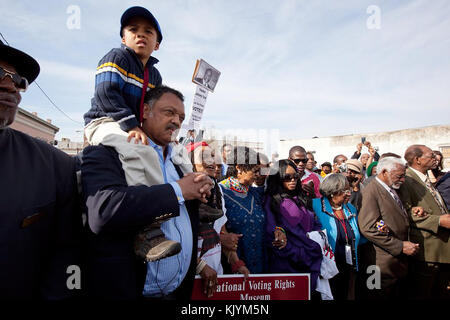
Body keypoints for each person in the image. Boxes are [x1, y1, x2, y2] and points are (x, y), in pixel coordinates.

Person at [81, 86, 214, 300]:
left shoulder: (180, 162)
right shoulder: (108, 152)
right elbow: (103, 211)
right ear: (144, 111)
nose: (177, 122)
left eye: (180, 117)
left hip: (177, 291)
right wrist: (177, 190)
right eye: (168, 112)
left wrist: (201, 191)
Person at [83, 7, 183, 262]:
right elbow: (106, 93)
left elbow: (155, 107)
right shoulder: (116, 56)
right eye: (133, 30)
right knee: (139, 149)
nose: (140, 35)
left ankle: (198, 204)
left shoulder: (156, 74)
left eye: (148, 31)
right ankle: (146, 231)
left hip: (133, 125)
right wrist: (132, 126)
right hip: (104, 120)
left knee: (177, 155)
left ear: (157, 44)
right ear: (123, 38)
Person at [0, 40, 83, 299]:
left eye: (18, 80)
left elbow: (70, 255)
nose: (10, 85)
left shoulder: (55, 166)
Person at [187, 141, 249, 297]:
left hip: (214, 276)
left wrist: (236, 263)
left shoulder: (218, 190)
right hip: (186, 279)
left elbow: (221, 230)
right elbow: (176, 238)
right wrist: (200, 267)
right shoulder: (183, 190)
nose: (213, 161)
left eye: (214, 156)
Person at [358, 157, 423, 299]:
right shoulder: (371, 191)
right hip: (378, 265)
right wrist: (399, 246)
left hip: (394, 263)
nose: (403, 180)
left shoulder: (389, 189)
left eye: (403, 176)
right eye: (399, 176)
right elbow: (368, 228)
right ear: (384, 172)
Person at [398, 144, 450, 299]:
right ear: (417, 160)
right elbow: (405, 213)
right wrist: (438, 221)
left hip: (441, 250)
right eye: (431, 156)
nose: (435, 158)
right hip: (427, 252)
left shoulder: (425, 179)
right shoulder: (406, 180)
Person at [264, 159, 323, 291]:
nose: (292, 180)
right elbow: (271, 233)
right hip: (286, 264)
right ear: (277, 178)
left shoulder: (302, 197)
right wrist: (296, 252)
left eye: (295, 176)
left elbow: (315, 221)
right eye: (287, 177)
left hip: (310, 258)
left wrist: (317, 242)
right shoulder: (271, 200)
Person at [312, 173, 363, 300]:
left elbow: (359, 234)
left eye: (349, 190)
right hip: (325, 267)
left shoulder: (350, 208)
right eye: (345, 191)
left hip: (348, 265)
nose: (349, 193)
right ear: (332, 192)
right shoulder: (315, 206)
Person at [219, 146, 266, 273]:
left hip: (259, 264)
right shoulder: (220, 192)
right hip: (232, 266)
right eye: (254, 170)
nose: (257, 175)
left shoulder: (256, 194)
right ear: (239, 167)